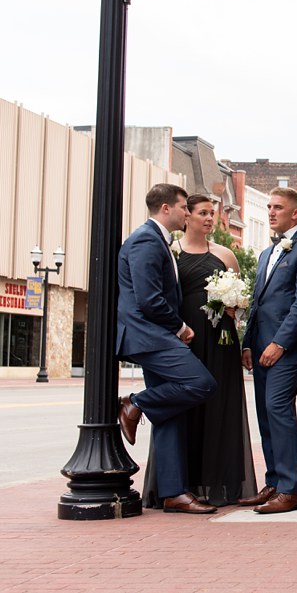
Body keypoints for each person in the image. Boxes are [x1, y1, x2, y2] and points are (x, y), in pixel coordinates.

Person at [144, 193, 256, 509]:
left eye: (212, 214)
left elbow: (241, 304)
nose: (209, 219)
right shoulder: (171, 253)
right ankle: (181, 483)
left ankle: (221, 480)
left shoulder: (225, 255)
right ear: (188, 216)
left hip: (220, 339)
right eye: (203, 213)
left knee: (220, 404)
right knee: (184, 407)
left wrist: (233, 307)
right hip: (184, 338)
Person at [116, 183, 217, 515]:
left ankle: (174, 492)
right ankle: (134, 403)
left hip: (154, 334)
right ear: (165, 209)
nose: (187, 213)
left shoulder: (159, 240)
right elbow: (148, 298)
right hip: (149, 335)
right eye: (183, 207)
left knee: (171, 412)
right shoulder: (146, 240)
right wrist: (179, 326)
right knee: (200, 383)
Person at [238, 187, 297, 515]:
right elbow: (257, 302)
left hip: (286, 348)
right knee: (265, 414)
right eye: (269, 207)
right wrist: (247, 341)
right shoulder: (264, 253)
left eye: (278, 207)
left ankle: (291, 489)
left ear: (296, 213)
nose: (271, 212)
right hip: (259, 347)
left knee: (278, 410)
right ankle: (273, 482)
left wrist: (280, 343)